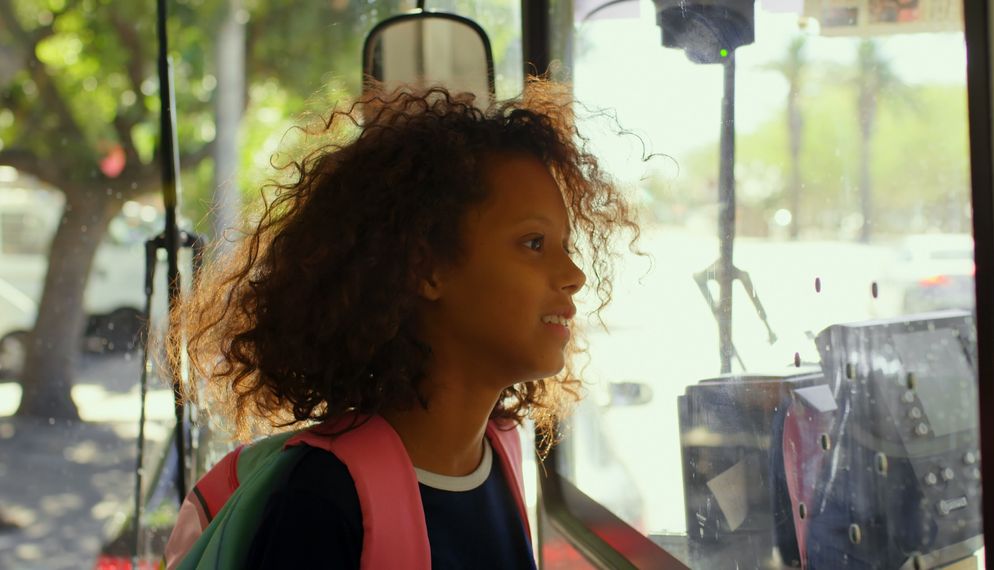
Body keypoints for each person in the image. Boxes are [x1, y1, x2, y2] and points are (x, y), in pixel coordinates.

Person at [164, 80, 643, 568]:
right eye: (534, 243)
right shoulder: (320, 500)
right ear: (426, 268)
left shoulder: (500, 453)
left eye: (565, 247)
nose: (575, 276)